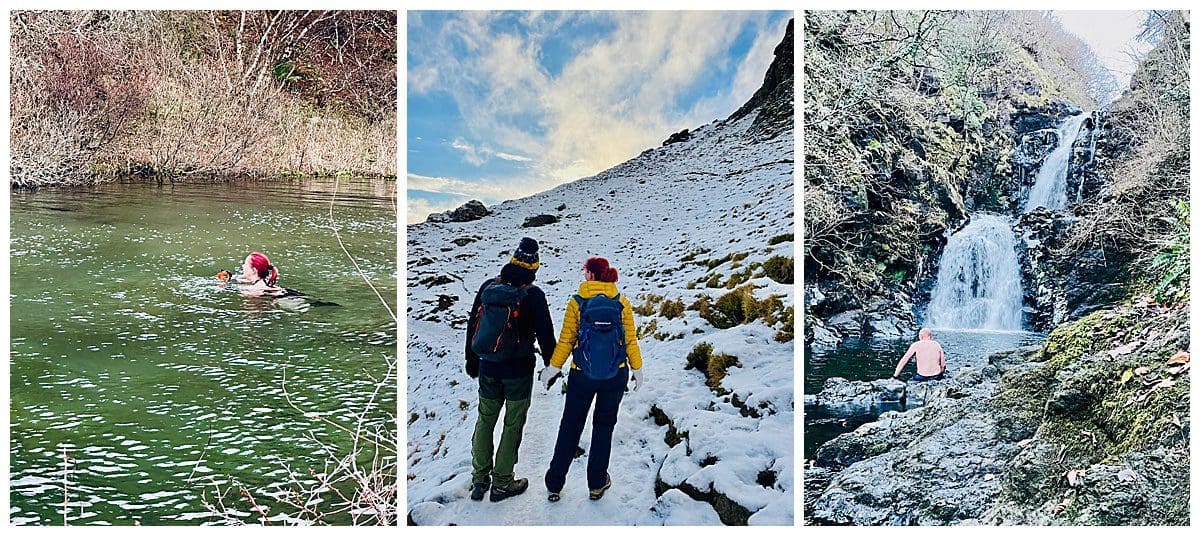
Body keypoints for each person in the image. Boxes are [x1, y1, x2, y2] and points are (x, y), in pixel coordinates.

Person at [540, 256, 644, 502]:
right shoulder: (621, 302)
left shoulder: (577, 302)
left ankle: (555, 483)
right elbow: (630, 340)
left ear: (591, 275)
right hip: (615, 374)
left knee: (570, 426)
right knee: (604, 427)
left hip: (581, 374)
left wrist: (553, 368)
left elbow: (566, 340)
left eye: (585, 270)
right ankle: (597, 483)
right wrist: (637, 369)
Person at [464, 237, 556, 502]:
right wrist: (551, 367)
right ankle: (503, 482)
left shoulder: (488, 287)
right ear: (534, 269)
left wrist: (472, 362)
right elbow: (546, 336)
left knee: (485, 419)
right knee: (513, 424)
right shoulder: (534, 295)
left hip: (488, 367)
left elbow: (473, 327)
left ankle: (480, 478)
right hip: (519, 370)